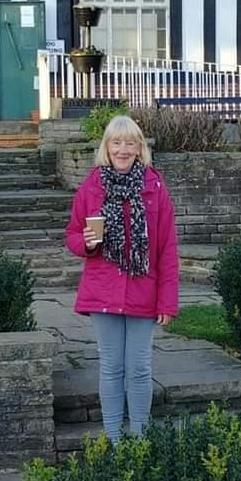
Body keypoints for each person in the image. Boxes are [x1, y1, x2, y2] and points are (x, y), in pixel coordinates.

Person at [65, 114, 180, 443]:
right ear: (107, 147)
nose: (123, 149)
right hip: (103, 292)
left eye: (130, 143)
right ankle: (115, 441)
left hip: (144, 292)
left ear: (140, 148)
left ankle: (140, 440)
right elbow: (73, 234)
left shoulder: (155, 189)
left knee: (140, 368)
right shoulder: (91, 186)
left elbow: (167, 250)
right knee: (112, 368)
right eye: (117, 142)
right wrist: (85, 243)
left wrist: (167, 301)